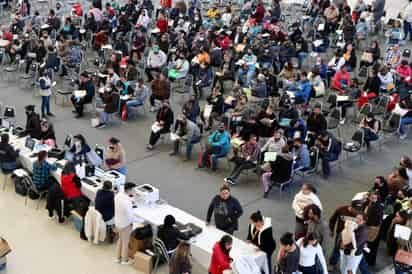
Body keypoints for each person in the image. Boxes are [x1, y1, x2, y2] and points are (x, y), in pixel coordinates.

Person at [328, 201, 360, 271]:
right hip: (340, 234)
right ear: (351, 207)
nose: (357, 212)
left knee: (348, 250)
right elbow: (332, 220)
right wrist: (331, 230)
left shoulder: (359, 213)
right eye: (355, 210)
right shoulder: (341, 209)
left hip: (352, 235)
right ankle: (332, 263)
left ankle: (345, 265)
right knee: (337, 249)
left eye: (358, 210)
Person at [114, 182, 136, 264]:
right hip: (125, 224)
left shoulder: (119, 195)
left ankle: (117, 258)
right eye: (133, 190)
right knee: (125, 242)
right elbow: (129, 215)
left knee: (120, 239)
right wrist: (133, 222)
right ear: (129, 190)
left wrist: (131, 200)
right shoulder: (126, 201)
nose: (134, 191)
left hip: (118, 222)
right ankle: (124, 260)